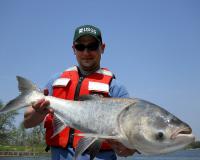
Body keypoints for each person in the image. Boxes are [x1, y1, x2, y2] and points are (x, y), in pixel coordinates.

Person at [24, 24, 137, 160]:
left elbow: (128, 151)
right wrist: (39, 111)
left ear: (102, 48)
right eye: (80, 47)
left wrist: (127, 148)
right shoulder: (55, 81)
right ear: (73, 49)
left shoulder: (116, 89)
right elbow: (27, 122)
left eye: (92, 46)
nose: (86, 52)